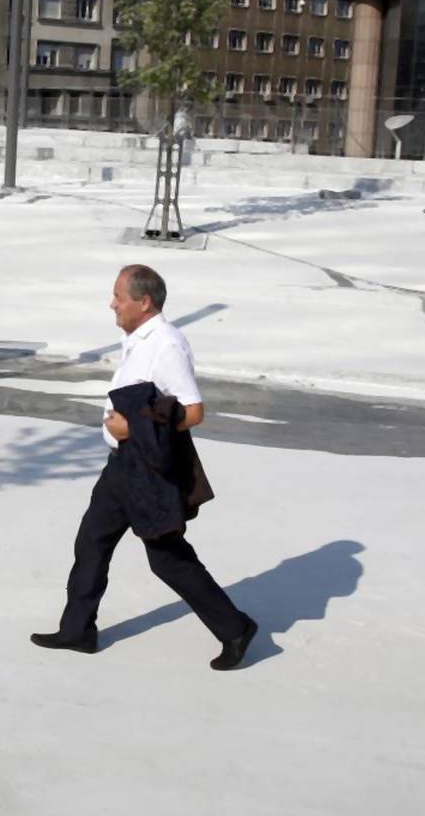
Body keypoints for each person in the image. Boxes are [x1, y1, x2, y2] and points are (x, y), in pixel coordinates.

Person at [31, 264, 258, 669]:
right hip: (120, 467)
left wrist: (130, 427)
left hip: (148, 471)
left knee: (166, 558)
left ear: (144, 301)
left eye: (119, 297)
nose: (112, 304)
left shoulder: (166, 344)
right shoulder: (137, 339)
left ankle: (235, 628)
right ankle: (78, 629)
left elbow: (193, 412)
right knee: (91, 541)